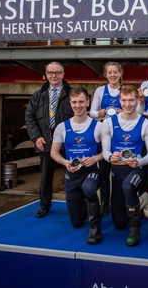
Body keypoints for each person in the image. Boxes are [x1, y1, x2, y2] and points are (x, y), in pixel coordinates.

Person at [101, 85, 148, 246]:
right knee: (119, 224)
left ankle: (135, 228)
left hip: (136, 169)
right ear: (119, 101)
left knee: (127, 186)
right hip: (117, 170)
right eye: (124, 100)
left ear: (137, 100)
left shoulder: (146, 124)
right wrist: (111, 156)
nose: (128, 104)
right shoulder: (109, 123)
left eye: (131, 100)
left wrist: (138, 162)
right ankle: (143, 199)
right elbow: (105, 151)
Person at [50, 88, 103, 245]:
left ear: (87, 102)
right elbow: (53, 153)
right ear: (70, 103)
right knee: (76, 223)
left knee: (89, 188)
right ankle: (84, 208)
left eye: (81, 101)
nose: (78, 105)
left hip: (91, 172)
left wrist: (94, 159)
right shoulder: (62, 127)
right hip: (71, 175)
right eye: (74, 102)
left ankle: (95, 227)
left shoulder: (99, 126)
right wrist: (65, 162)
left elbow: (106, 153)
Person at [25, 62, 73, 218]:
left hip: (67, 143)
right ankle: (44, 204)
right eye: (51, 73)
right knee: (46, 176)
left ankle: (75, 206)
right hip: (45, 141)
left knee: (72, 175)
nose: (54, 76)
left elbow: (79, 116)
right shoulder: (38, 96)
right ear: (46, 74)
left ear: (63, 74)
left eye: (57, 73)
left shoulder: (72, 94)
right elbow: (30, 117)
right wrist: (36, 137)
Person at [89, 62, 124, 217]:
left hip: (121, 133)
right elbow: (92, 112)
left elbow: (135, 111)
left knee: (119, 171)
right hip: (104, 133)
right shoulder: (100, 90)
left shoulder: (125, 90)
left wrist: (125, 111)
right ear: (106, 74)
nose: (112, 75)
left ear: (120, 73)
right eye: (109, 72)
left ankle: (119, 202)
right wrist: (100, 113)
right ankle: (104, 203)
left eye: (115, 72)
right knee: (104, 171)